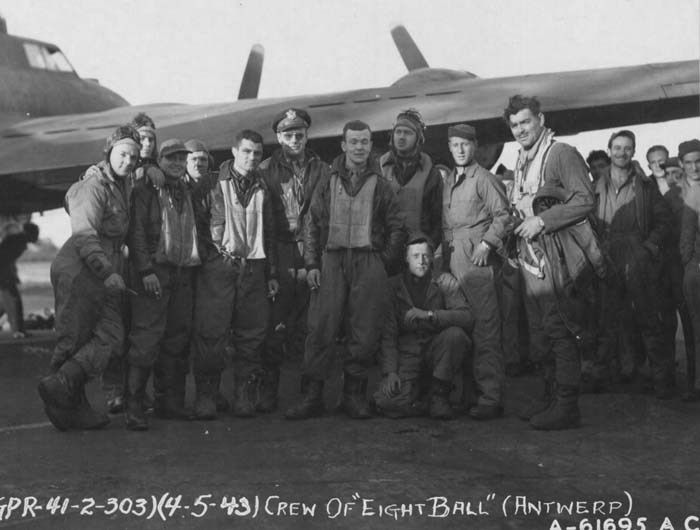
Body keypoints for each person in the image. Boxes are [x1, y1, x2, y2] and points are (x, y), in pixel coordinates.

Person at [285, 120, 405, 420]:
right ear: (343, 145)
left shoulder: (383, 184)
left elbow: (397, 227)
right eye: (354, 142)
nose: (360, 147)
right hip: (332, 260)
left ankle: (353, 395)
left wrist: (383, 262)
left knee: (364, 331)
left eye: (365, 142)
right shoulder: (327, 180)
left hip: (368, 261)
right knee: (321, 328)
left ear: (370, 145)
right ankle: (311, 396)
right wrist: (311, 263)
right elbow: (311, 223)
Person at [37, 125, 140, 431]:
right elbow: (84, 236)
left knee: (110, 335)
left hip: (99, 270)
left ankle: (63, 388)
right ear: (109, 153)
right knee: (74, 339)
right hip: (81, 269)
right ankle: (69, 407)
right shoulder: (93, 186)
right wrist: (107, 271)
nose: (129, 161)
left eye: (134, 157)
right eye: (123, 154)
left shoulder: (122, 185)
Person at [506, 95, 597, 430]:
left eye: (526, 122)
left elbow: (585, 199)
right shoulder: (522, 159)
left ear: (541, 120)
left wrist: (543, 221)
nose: (520, 130)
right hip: (532, 258)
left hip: (558, 255)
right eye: (514, 125)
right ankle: (550, 397)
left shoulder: (560, 154)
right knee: (540, 331)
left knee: (560, 329)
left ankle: (567, 406)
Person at [191, 130, 279, 419]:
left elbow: (271, 233)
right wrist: (210, 259)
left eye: (256, 153)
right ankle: (206, 395)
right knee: (211, 333)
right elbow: (196, 225)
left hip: (254, 268)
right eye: (246, 151)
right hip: (219, 269)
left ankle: (244, 394)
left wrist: (272, 272)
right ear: (233, 151)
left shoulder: (265, 186)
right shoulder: (211, 183)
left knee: (251, 336)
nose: (251, 157)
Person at [123, 139, 201, 430]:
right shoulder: (145, 189)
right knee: (146, 337)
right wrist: (144, 270)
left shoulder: (186, 189)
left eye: (182, 159)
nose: (178, 163)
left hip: (182, 272)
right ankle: (134, 406)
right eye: (171, 158)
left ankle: (170, 402)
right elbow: (137, 232)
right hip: (154, 271)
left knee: (177, 338)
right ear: (158, 160)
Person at [592, 130, 673, 399]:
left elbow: (663, 222)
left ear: (633, 151)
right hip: (608, 254)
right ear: (610, 149)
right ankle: (603, 376)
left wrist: (648, 248)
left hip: (637, 255)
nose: (621, 153)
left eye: (627, 148)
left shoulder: (645, 185)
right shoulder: (596, 185)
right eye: (617, 148)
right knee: (607, 318)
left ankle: (662, 380)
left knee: (649, 318)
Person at [258, 108, 329, 413]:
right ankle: (268, 389)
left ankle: (306, 393)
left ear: (307, 135)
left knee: (309, 325)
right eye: (288, 135)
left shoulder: (322, 169)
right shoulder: (264, 170)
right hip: (281, 249)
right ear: (278, 137)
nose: (295, 140)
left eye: (300, 134)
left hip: (313, 249)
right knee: (275, 323)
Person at [441, 123, 513, 420]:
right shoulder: (449, 181)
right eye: (455, 144)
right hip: (453, 257)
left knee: (485, 329)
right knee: (461, 326)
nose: (460, 150)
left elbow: (504, 216)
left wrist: (487, 243)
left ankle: (490, 397)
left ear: (475, 146)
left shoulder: (483, 179)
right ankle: (468, 394)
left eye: (465, 144)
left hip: (477, 261)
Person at [373, 233, 473, 420]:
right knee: (387, 402)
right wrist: (390, 371)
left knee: (456, 336)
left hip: (436, 349)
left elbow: (466, 316)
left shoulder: (444, 281)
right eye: (415, 256)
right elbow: (388, 334)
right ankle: (421, 396)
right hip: (408, 353)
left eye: (426, 256)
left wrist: (430, 315)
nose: (421, 261)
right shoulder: (393, 286)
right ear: (406, 258)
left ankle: (439, 394)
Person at [379, 109, 443, 251]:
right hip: (385, 251)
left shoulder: (432, 174)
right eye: (398, 132)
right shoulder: (379, 170)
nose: (401, 137)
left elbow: (438, 220)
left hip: (418, 252)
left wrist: (429, 248)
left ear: (418, 139)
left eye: (408, 133)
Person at [679, 139, 700, 398]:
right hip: (694, 269)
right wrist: (691, 266)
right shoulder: (686, 193)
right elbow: (685, 240)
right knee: (695, 329)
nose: (695, 167)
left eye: (699, 161)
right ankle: (695, 384)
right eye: (690, 162)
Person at [0, 222, 39, 338]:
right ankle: (19, 331)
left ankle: (19, 330)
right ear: (29, 233)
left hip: (5, 273)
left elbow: (7, 260)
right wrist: (9, 277)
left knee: (7, 302)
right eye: (36, 234)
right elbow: (4, 259)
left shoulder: (19, 240)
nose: (37, 236)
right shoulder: (18, 240)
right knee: (14, 300)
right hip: (3, 273)